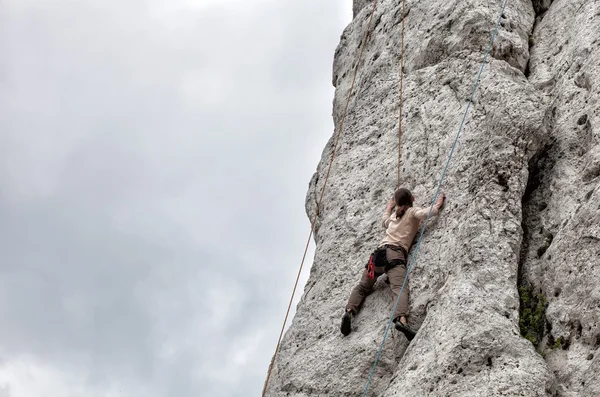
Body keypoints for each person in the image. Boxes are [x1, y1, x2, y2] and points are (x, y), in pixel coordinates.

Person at [340, 188, 445, 340]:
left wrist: (389, 207)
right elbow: (428, 213)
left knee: (362, 286)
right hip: (394, 255)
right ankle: (401, 320)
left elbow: (384, 221)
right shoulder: (411, 212)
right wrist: (438, 203)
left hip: (376, 257)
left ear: (397, 203)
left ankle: (349, 311)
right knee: (399, 288)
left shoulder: (395, 217)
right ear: (412, 199)